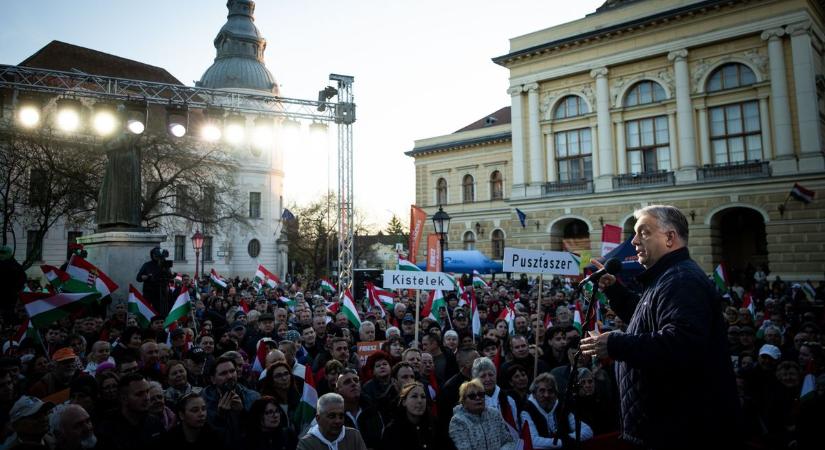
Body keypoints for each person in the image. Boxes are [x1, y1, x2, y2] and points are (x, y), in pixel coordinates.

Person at [580, 205, 740, 449]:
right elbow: (648, 319)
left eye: (643, 233)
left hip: (679, 431)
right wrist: (615, 290)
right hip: (663, 426)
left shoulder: (681, 280)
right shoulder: (668, 277)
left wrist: (615, 343)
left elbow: (682, 343)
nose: (633, 241)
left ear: (669, 238)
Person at [520, 372, 592, 448]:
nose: (546, 395)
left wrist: (568, 438)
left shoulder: (562, 408)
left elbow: (587, 431)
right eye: (542, 391)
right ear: (534, 394)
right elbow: (533, 441)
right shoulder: (526, 411)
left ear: (555, 394)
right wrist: (563, 442)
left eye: (550, 391)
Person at [448, 379, 516, 450]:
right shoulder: (457, 421)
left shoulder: (494, 414)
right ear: (463, 401)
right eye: (472, 396)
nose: (478, 398)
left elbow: (509, 442)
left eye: (481, 394)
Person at [297, 393, 367, 450]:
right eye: (332, 416)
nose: (338, 421)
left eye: (341, 416)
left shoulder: (354, 436)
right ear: (318, 418)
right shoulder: (306, 443)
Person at [380, 382, 436, 450]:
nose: (420, 400)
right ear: (404, 402)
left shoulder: (434, 424)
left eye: (423, 397)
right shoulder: (392, 431)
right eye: (414, 396)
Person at [159, 392, 225, 450]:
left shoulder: (213, 437)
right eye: (195, 410)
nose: (201, 414)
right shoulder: (169, 440)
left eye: (204, 409)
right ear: (181, 415)